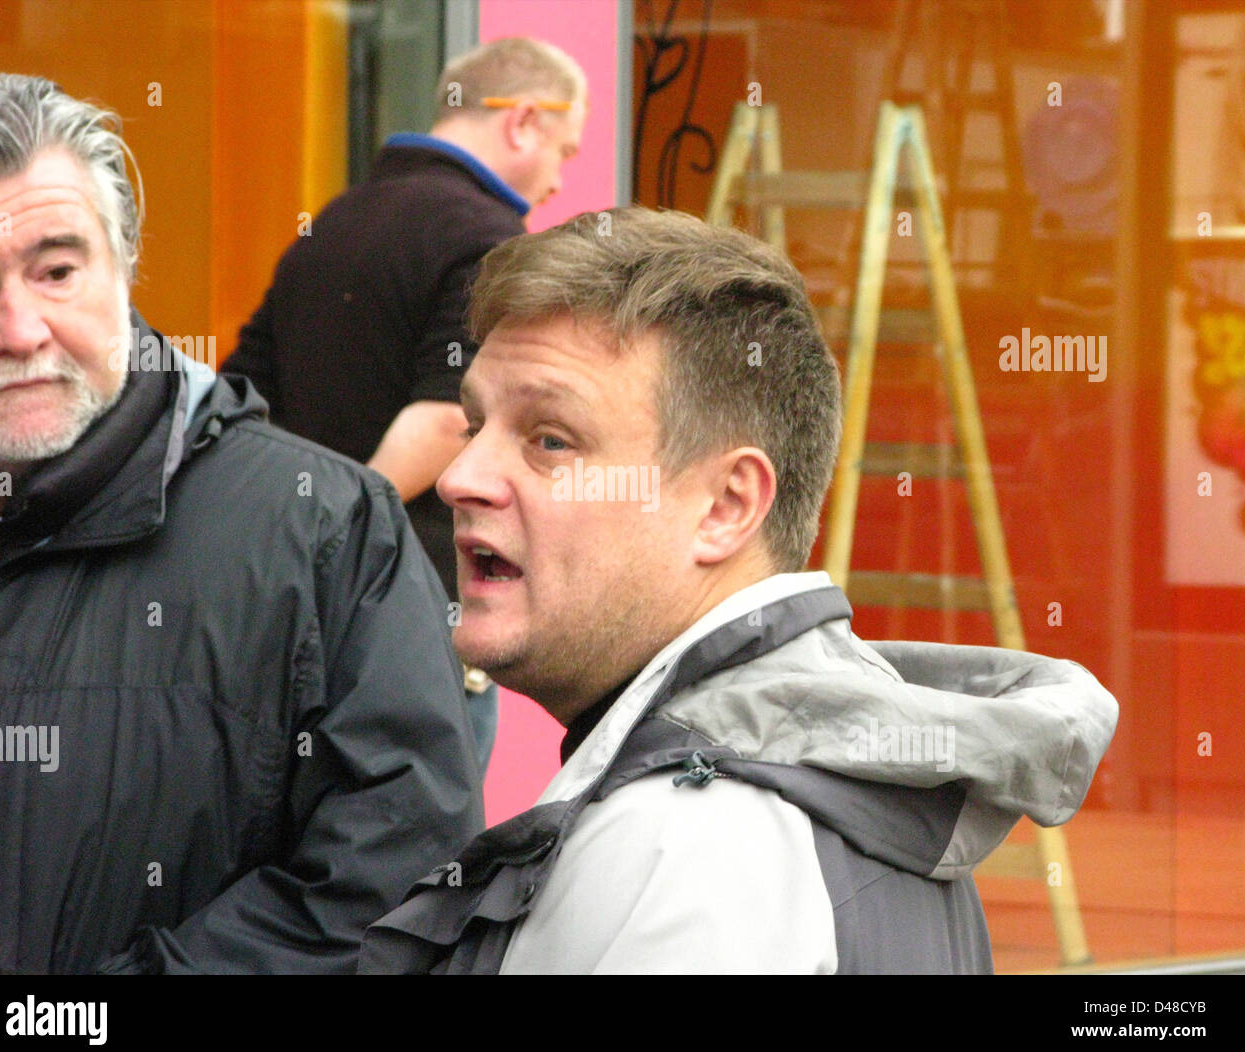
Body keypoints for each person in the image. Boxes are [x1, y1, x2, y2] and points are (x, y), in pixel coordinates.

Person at [358, 207, 1119, 975]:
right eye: (475, 423)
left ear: (726, 506)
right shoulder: (818, 792)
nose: (459, 479)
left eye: (550, 439)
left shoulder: (693, 845)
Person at [0, 67, 483, 974]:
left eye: (57, 269)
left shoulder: (326, 535)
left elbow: (391, 897)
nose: (21, 327)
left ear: (125, 270)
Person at [221, 38, 589, 770]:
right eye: (565, 149)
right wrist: (344, 533)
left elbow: (238, 400)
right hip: (408, 605)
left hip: (292, 614)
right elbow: (450, 418)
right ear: (522, 121)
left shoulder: (329, 222)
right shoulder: (488, 238)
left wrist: (291, 548)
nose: (558, 179)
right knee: (423, 846)